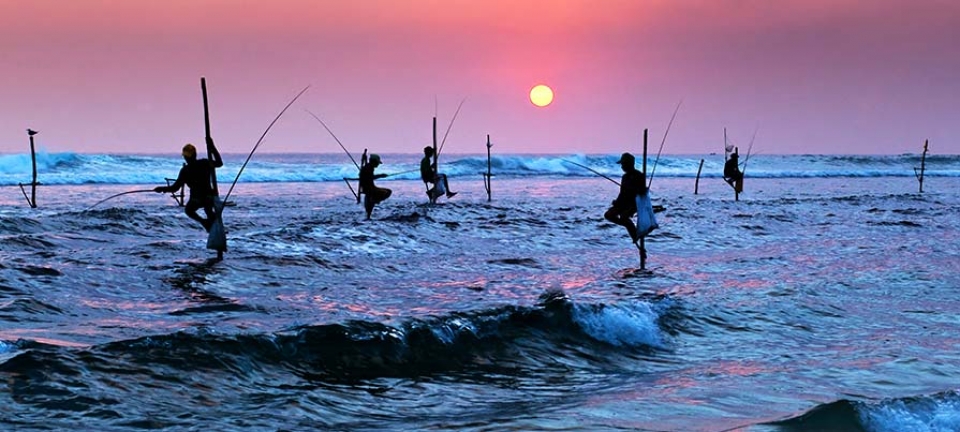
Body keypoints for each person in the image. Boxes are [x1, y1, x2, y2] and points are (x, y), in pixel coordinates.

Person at [154, 138, 223, 231]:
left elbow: (175, 188)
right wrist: (212, 147)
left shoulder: (185, 170)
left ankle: (204, 222)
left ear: (185, 157)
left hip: (196, 199)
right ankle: (213, 224)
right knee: (209, 211)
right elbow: (219, 163)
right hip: (208, 196)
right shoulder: (204, 163)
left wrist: (162, 188)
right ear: (195, 154)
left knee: (189, 210)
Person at [604, 152, 646, 243]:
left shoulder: (639, 175)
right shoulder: (624, 177)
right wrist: (617, 202)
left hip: (635, 203)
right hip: (624, 203)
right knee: (608, 215)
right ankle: (629, 225)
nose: (622, 166)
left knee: (623, 217)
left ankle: (634, 233)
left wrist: (633, 189)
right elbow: (622, 193)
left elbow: (641, 192)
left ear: (629, 164)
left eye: (623, 164)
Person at [359, 153, 392, 219]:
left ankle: (373, 202)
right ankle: (374, 200)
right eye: (377, 163)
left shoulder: (369, 167)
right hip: (369, 188)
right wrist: (380, 175)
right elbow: (370, 177)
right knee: (387, 192)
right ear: (374, 161)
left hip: (371, 187)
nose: (378, 164)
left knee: (388, 191)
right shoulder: (368, 168)